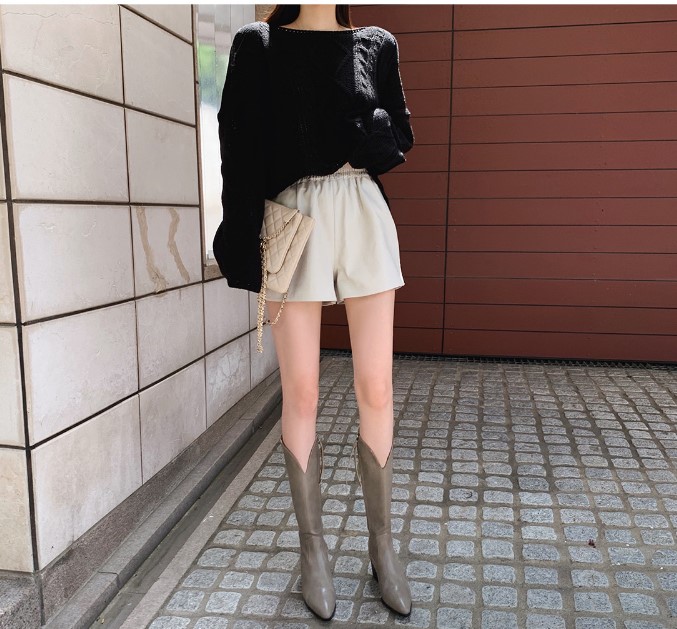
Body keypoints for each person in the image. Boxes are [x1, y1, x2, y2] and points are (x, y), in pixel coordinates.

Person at [214, 3, 414, 621]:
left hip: (362, 211)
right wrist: (242, 242)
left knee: (376, 386)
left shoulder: (376, 44)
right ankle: (313, 552)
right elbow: (238, 147)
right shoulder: (257, 45)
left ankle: (382, 548)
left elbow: (400, 138)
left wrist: (364, 125)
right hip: (292, 218)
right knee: (301, 391)